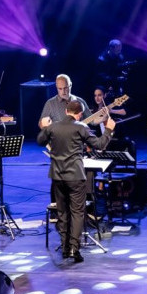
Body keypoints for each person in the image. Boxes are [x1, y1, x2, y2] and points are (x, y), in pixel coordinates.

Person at [37, 99, 115, 263]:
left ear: (66, 111)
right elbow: (99, 144)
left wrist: (45, 127)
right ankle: (74, 249)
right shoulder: (81, 127)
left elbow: (40, 141)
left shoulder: (54, 126)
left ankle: (65, 248)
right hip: (75, 176)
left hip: (57, 176)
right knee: (77, 212)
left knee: (62, 212)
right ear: (79, 114)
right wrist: (109, 130)